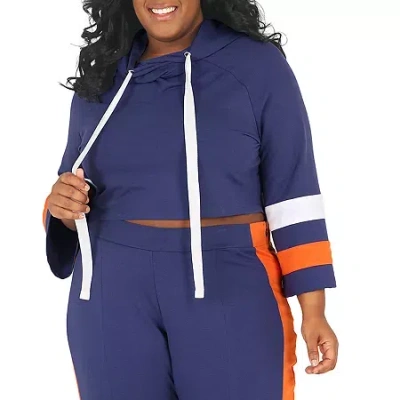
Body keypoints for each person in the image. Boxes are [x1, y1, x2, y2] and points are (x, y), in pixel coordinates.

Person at [42, 1, 339, 399]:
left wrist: (314, 310)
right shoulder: (104, 75)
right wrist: (61, 208)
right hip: (110, 291)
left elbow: (294, 191)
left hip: (229, 284)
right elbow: (70, 187)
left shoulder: (257, 67)